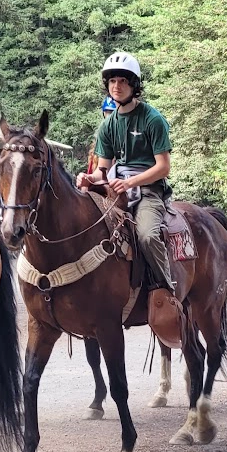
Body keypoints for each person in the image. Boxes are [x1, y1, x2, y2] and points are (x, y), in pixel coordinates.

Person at [77, 53, 177, 299]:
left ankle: (167, 290)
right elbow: (102, 170)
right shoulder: (107, 126)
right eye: (112, 81)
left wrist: (131, 181)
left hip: (148, 192)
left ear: (134, 85)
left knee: (147, 235)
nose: (116, 86)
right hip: (116, 191)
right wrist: (90, 180)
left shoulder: (152, 119)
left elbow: (163, 167)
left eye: (123, 81)